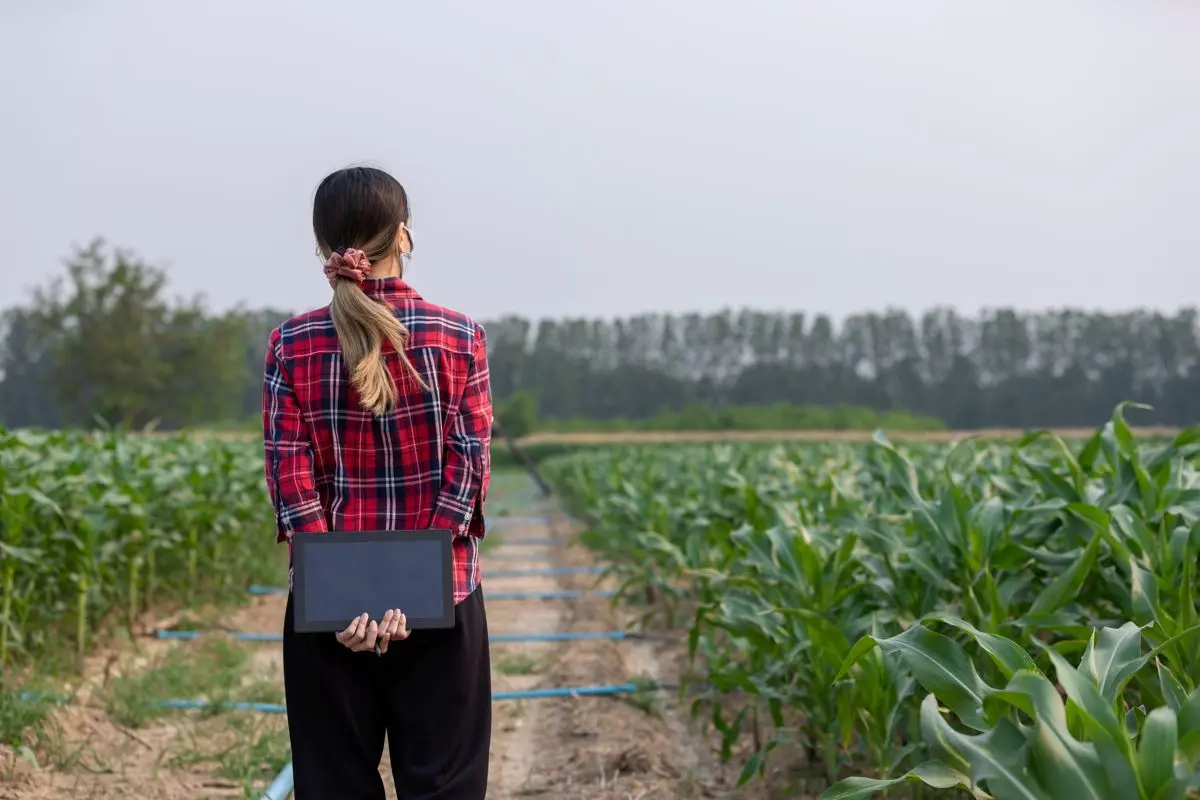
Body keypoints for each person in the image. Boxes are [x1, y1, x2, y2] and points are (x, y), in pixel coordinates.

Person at [262, 165, 493, 799]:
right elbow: (467, 471)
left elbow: (290, 479)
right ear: (405, 237)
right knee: (444, 787)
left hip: (326, 620)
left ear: (323, 248)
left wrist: (338, 596)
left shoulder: (291, 344)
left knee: (334, 786)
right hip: (443, 602)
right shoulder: (459, 335)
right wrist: (412, 584)